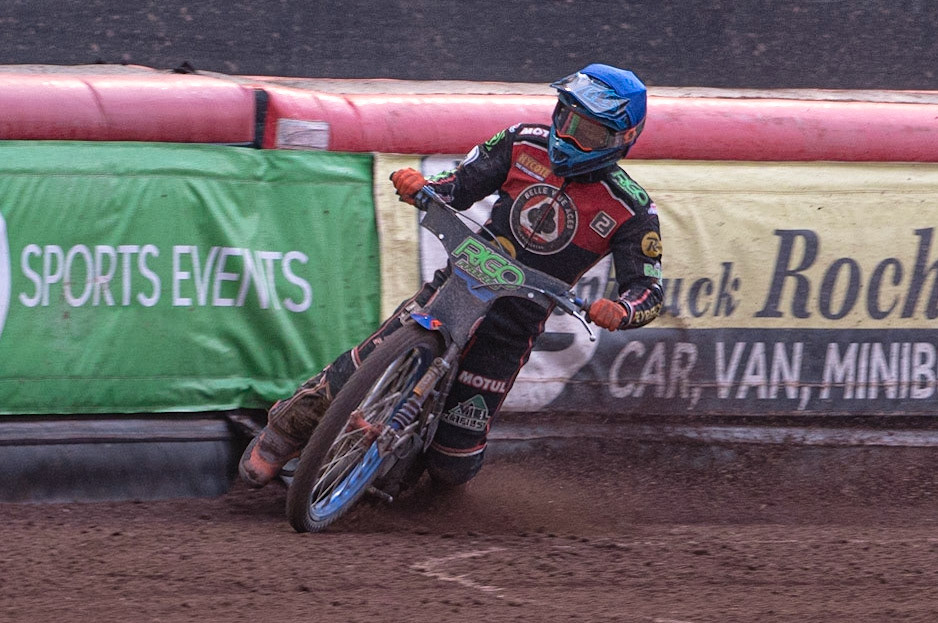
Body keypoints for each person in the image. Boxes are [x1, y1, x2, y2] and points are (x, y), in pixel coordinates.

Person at [239, 63, 664, 489]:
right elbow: (458, 186)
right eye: (568, 121)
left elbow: (648, 289)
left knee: (452, 466)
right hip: (456, 286)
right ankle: (284, 433)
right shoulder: (520, 142)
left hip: (513, 325)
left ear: (621, 139)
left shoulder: (631, 208)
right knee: (358, 368)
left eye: (588, 134)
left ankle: (406, 470)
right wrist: (422, 187)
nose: (570, 138)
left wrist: (621, 309)